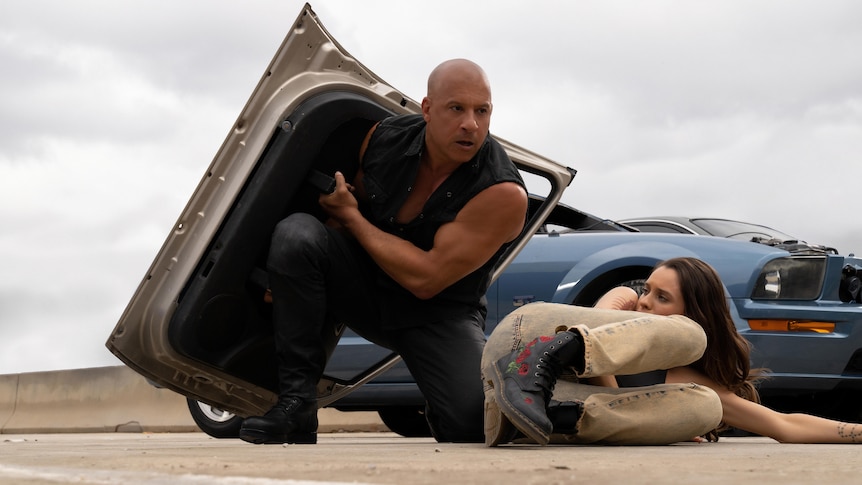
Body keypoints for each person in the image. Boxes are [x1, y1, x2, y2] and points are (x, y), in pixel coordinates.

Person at [239, 58, 529, 445]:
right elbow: (342, 213)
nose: (470, 125)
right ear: (427, 108)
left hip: (437, 313)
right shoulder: (384, 137)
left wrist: (353, 218)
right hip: (365, 287)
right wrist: (291, 274)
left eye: (482, 111)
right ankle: (297, 406)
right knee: (296, 235)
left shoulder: (502, 192)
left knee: (475, 423)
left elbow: (427, 279)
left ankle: (443, 408)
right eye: (456, 108)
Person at [485, 257, 862, 446]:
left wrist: (857, 432)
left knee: (704, 407)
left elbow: (782, 424)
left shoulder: (683, 378)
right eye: (649, 289)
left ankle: (521, 415)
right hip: (525, 335)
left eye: (662, 297)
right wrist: (644, 413)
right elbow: (604, 335)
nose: (646, 301)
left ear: (693, 308)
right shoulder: (625, 301)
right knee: (687, 336)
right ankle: (539, 359)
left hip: (514, 391)